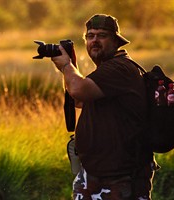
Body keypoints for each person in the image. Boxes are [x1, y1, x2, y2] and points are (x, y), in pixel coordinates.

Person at [51, 14, 158, 200]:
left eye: (102, 35)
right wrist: (70, 69)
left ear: (116, 41)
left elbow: (78, 90)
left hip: (119, 178)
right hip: (95, 175)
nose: (95, 40)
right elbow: (79, 101)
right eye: (90, 36)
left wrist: (67, 66)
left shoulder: (119, 68)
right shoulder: (105, 70)